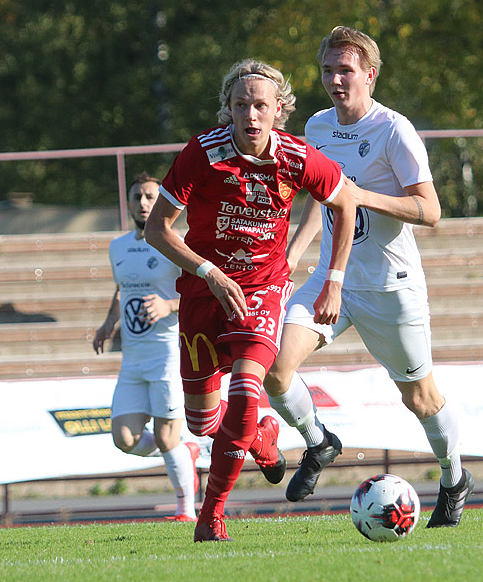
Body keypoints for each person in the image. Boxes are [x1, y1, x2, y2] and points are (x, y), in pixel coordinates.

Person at [262, 26, 473, 528]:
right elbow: (320, 197)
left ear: (370, 76)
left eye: (346, 70)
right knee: (275, 368)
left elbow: (431, 209)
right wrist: (294, 254)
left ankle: (453, 475)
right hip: (331, 277)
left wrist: (358, 195)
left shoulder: (394, 130)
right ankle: (319, 442)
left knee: (419, 398)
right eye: (328, 70)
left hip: (389, 285)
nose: (336, 80)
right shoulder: (315, 127)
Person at [145, 58, 356, 542]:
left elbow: (345, 202)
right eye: (241, 105)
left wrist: (335, 280)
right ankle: (259, 437)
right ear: (229, 109)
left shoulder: (297, 157)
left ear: (278, 109)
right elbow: (158, 229)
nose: (251, 115)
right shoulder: (202, 152)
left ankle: (211, 512)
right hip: (204, 288)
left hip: (262, 287)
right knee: (201, 422)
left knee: (244, 390)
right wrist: (209, 271)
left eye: (260, 105)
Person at [92, 172, 200, 522]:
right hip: (132, 358)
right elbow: (122, 288)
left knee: (167, 439)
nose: (143, 203)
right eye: (137, 196)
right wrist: (109, 322)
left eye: (150, 197)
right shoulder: (118, 246)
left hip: (168, 354)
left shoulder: (176, 243)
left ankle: (186, 509)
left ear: (163, 202)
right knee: (124, 438)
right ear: (128, 202)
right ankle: (186, 453)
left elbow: (200, 296)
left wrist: (169, 306)